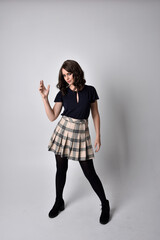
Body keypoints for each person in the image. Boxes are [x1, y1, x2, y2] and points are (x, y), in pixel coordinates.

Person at [39, 59, 110, 224]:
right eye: (64, 75)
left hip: (81, 133)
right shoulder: (62, 92)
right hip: (63, 131)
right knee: (61, 169)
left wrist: (98, 135)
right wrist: (44, 98)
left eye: (69, 74)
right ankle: (59, 201)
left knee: (89, 172)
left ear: (76, 71)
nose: (67, 78)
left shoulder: (90, 91)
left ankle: (105, 204)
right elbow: (52, 117)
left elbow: (95, 114)